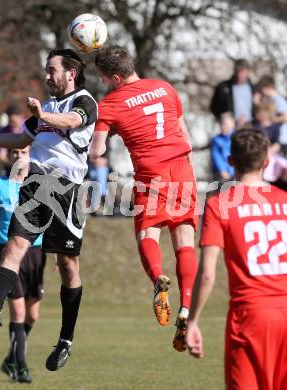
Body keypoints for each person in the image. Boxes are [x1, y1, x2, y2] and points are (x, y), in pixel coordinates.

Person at [0, 49, 98, 371]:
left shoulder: (85, 101)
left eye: (52, 70)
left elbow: (73, 121)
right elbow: (20, 137)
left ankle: (65, 341)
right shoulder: (45, 110)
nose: (47, 76)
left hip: (67, 191)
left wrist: (43, 117)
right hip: (36, 185)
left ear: (70, 73)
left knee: (68, 265)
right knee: (14, 246)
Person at [90, 45, 198, 352]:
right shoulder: (165, 88)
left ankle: (157, 278)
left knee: (146, 233)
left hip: (152, 173)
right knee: (185, 240)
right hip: (183, 169)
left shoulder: (109, 103)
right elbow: (185, 135)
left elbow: (97, 151)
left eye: (102, 76)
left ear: (114, 77)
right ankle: (186, 308)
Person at [187, 128, 287, 390]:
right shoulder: (286, 200)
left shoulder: (220, 204)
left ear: (230, 161)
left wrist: (193, 320)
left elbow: (207, 273)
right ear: (266, 162)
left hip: (249, 315)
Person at [0, 146, 46, 383]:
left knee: (32, 315)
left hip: (37, 253)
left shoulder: (40, 183)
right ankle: (21, 367)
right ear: (8, 156)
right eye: (15, 152)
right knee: (17, 312)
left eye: (24, 151)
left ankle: (10, 359)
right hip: (9, 253)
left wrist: (61, 254)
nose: (19, 156)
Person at [210, 59, 254, 128]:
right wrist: (224, 120)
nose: (240, 75)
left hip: (250, 124)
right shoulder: (223, 87)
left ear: (247, 72)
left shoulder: (253, 88)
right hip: (231, 126)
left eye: (242, 72)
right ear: (234, 71)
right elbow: (214, 107)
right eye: (238, 72)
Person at [210, 112, 235, 182]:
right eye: (221, 124)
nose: (223, 127)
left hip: (235, 173)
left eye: (225, 124)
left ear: (232, 124)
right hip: (221, 174)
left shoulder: (237, 138)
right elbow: (216, 156)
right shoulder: (217, 140)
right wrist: (222, 170)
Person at [0, 104, 25, 168]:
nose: (12, 124)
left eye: (14, 121)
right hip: (11, 164)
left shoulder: (29, 128)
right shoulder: (4, 131)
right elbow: (2, 155)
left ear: (21, 116)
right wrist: (12, 165)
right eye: (10, 121)